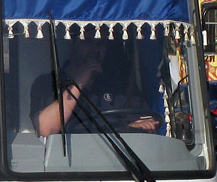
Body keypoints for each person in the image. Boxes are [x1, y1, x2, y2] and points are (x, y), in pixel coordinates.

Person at [31, 35, 160, 137]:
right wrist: (78, 84)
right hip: (68, 164)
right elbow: (45, 128)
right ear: (71, 44)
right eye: (88, 42)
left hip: (120, 162)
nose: (96, 49)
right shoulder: (48, 83)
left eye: (101, 44)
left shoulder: (119, 85)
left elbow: (147, 121)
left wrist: (130, 127)